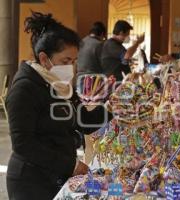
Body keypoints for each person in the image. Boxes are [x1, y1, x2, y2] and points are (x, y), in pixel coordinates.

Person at [6, 11, 108, 200]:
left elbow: (83, 121)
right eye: (66, 61)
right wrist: (71, 165)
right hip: (31, 181)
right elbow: (23, 144)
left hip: (56, 176)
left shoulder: (59, 83)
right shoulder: (24, 89)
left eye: (75, 61)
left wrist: (114, 109)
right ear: (44, 59)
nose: (72, 67)